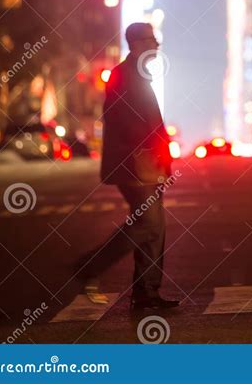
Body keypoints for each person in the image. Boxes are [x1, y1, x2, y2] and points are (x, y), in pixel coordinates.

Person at [75, 22, 179, 311]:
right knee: (148, 223)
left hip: (145, 163)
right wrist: (148, 147)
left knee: (154, 228)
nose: (157, 45)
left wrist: (161, 158)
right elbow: (124, 121)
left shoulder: (138, 74)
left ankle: (146, 292)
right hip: (134, 164)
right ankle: (90, 267)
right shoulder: (124, 75)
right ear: (135, 43)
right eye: (151, 40)